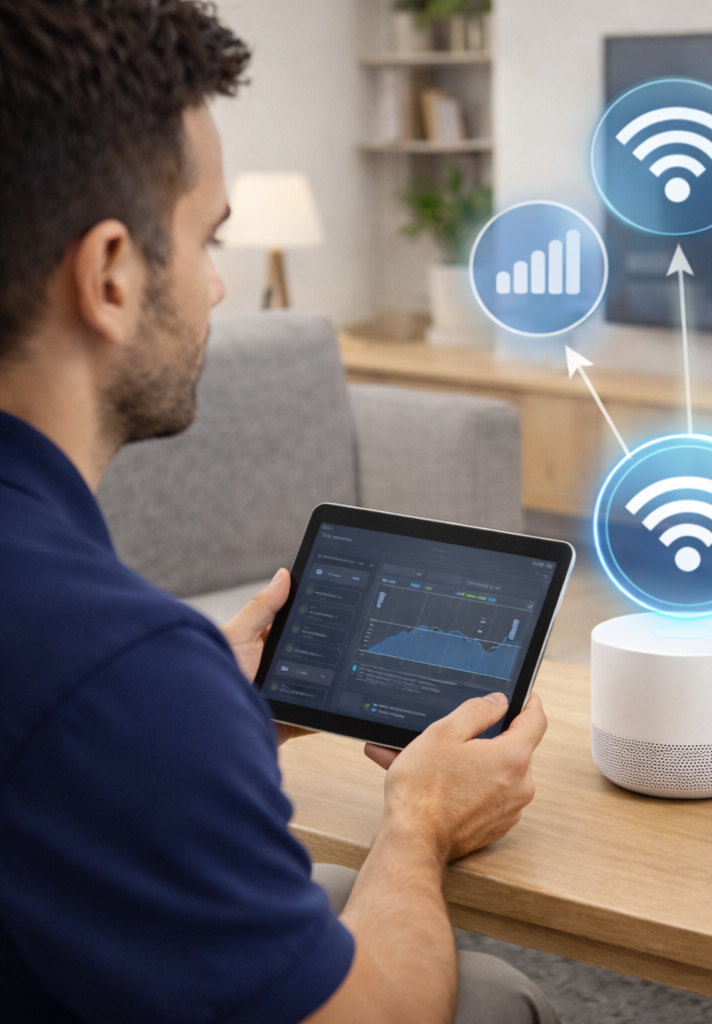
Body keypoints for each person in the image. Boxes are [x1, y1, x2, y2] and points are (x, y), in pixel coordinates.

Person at [0, 2, 560, 1022]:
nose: (218, 288)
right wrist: (419, 820)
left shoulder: (108, 661)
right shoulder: (114, 666)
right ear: (112, 275)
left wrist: (217, 705)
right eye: (207, 239)